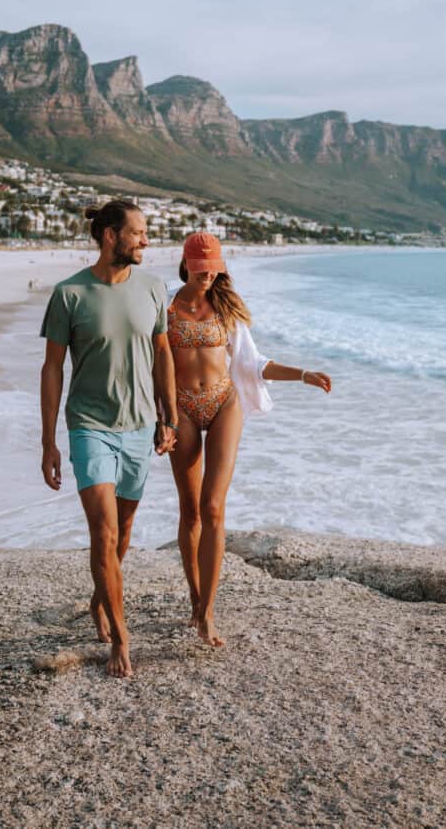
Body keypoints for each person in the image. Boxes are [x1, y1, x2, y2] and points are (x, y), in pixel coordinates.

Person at [167, 232, 331, 648]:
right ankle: (194, 595)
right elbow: (148, 361)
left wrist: (302, 374)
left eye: (214, 267)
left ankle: (207, 612)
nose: (207, 274)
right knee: (190, 512)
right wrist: (160, 417)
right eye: (200, 267)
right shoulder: (164, 307)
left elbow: (252, 362)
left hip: (223, 403)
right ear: (186, 264)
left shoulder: (226, 309)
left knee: (213, 506)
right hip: (182, 408)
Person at [39, 200, 178, 678]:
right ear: (110, 236)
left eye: (144, 233)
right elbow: (53, 368)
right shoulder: (69, 294)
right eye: (137, 233)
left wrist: (170, 418)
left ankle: (101, 599)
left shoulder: (155, 288)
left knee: (124, 531)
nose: (145, 241)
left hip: (140, 426)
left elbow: (163, 355)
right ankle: (121, 637)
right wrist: (48, 441)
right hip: (89, 425)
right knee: (104, 532)